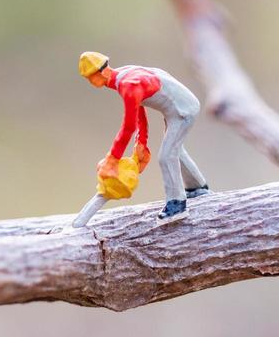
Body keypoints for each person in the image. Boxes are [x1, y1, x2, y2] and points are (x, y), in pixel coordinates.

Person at [79, 51, 210, 221]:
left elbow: (128, 127)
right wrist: (141, 143)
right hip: (175, 108)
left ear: (101, 72)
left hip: (182, 110)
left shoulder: (128, 85)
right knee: (176, 150)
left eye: (90, 77)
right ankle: (197, 188)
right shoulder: (124, 77)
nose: (90, 81)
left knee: (166, 156)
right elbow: (139, 111)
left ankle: (177, 203)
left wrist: (112, 159)